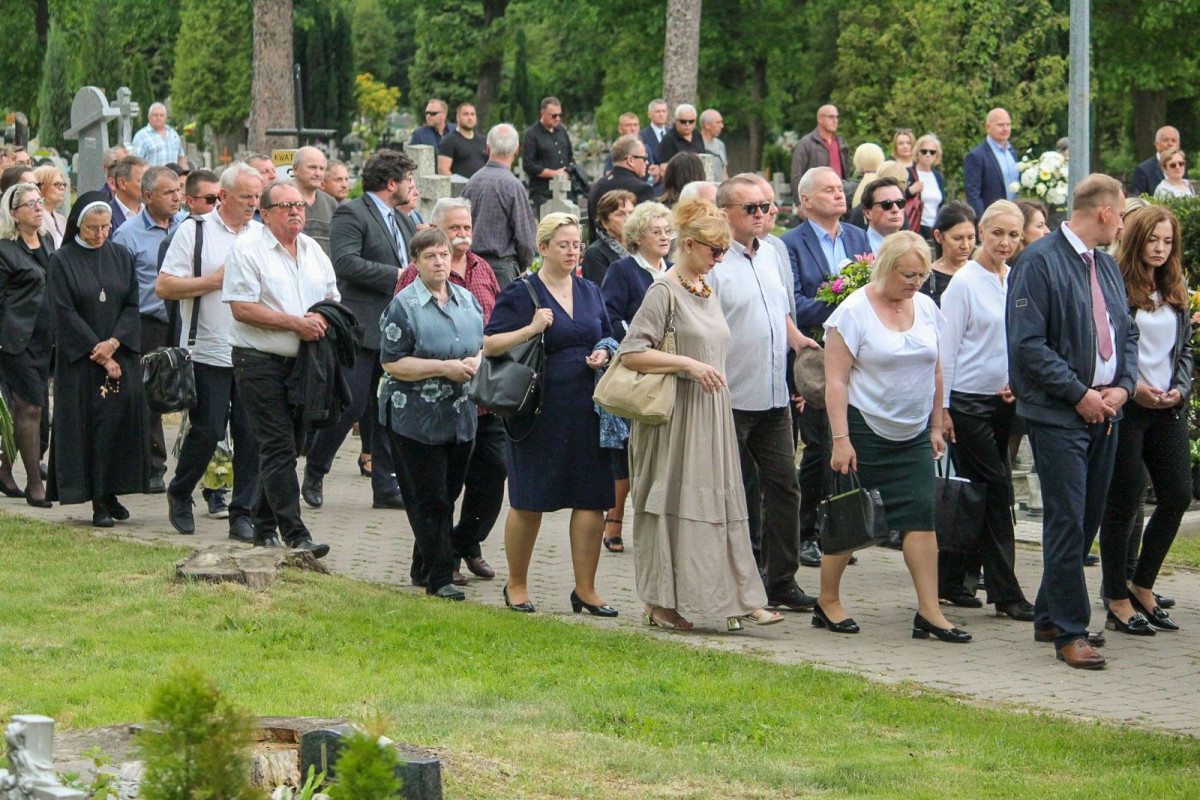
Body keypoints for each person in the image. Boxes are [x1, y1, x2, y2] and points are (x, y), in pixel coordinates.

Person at [618, 198, 783, 631]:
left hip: (711, 415)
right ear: (688, 245)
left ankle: (739, 597)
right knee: (671, 507)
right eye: (715, 250)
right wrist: (687, 365)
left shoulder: (706, 288)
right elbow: (631, 353)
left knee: (721, 505)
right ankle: (659, 603)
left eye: (725, 251)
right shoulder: (663, 291)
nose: (720, 259)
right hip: (674, 419)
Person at [1007, 174, 1136, 669]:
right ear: (1104, 212)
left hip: (1106, 412)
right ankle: (1069, 630)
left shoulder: (1105, 265)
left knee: (1086, 519)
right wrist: (1078, 393)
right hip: (1059, 413)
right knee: (1066, 519)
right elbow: (1028, 344)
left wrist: (1123, 386)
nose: (1122, 224)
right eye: (1121, 214)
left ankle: (1049, 614)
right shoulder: (1039, 262)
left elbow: (1125, 334)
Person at [823, 231, 968, 642]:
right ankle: (828, 600)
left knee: (922, 516)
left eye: (922, 276)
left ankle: (930, 611)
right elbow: (835, 381)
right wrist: (840, 439)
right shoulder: (853, 312)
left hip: (914, 430)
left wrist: (936, 424)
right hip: (865, 427)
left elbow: (936, 369)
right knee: (851, 519)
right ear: (885, 268)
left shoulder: (926, 307)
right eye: (907, 275)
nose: (915, 283)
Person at [483, 213, 617, 616]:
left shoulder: (590, 290)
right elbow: (490, 344)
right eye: (564, 245)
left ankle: (586, 590)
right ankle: (517, 584)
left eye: (577, 244)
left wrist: (604, 351)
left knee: (591, 499)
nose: (573, 251)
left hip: (587, 409)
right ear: (543, 248)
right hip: (537, 410)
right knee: (530, 499)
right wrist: (531, 328)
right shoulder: (522, 292)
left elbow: (608, 334)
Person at [711, 175, 819, 611]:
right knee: (735, 494)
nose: (762, 214)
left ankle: (782, 581)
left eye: (766, 206)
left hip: (774, 394)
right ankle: (738, 580)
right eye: (751, 208)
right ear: (725, 214)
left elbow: (778, 309)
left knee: (785, 488)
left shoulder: (773, 252)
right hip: (730, 397)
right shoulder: (714, 262)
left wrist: (797, 339)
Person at [223, 180, 339, 557]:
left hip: (304, 363)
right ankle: (296, 534)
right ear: (265, 213)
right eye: (285, 206)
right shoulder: (247, 248)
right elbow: (242, 308)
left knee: (292, 445)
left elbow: (332, 298)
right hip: (258, 360)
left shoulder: (312, 250)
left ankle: (263, 525)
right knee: (279, 445)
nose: (295, 212)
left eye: (299, 205)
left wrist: (321, 319)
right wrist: (295, 324)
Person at [396, 197, 504, 584]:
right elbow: (402, 338)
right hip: (433, 404)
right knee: (438, 490)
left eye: (466, 227)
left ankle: (464, 542)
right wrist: (445, 366)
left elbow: (493, 325)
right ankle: (436, 564)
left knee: (494, 474)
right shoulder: (417, 275)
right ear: (435, 231)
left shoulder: (482, 268)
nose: (462, 235)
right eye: (453, 228)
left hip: (481, 398)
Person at [156, 162, 264, 541]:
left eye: (257, 197)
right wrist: (214, 281)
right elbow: (165, 286)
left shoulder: (260, 234)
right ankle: (180, 490)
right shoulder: (195, 230)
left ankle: (242, 514)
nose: (253, 203)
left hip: (253, 349)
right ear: (224, 196)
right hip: (207, 350)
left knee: (251, 434)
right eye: (246, 196)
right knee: (208, 430)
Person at [303, 149, 415, 512]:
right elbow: (345, 262)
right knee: (351, 404)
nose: (412, 186)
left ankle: (385, 486)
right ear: (391, 183)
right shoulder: (351, 212)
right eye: (407, 180)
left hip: (397, 330)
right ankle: (315, 470)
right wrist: (397, 276)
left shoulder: (403, 220)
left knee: (387, 410)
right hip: (362, 327)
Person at [938, 200, 1035, 620]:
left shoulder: (1014, 279)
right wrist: (942, 410)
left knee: (977, 493)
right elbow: (946, 349)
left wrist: (1017, 381)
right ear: (981, 231)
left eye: (1014, 235)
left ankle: (952, 580)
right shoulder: (964, 282)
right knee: (996, 490)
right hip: (966, 402)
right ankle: (1006, 593)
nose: (1005, 242)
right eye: (997, 233)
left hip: (1004, 402)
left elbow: (1017, 340)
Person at [1099, 205, 1192, 635]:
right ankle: (1116, 597)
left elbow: (1185, 349)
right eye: (1152, 240)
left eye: (1167, 241)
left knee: (1177, 495)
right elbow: (1107, 345)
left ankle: (1143, 585)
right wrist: (1132, 386)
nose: (1160, 249)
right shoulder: (1115, 282)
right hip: (1128, 406)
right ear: (1136, 239)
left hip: (1168, 406)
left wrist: (1181, 389)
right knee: (1125, 498)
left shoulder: (1174, 283)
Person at [380, 227, 484, 600]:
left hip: (460, 416)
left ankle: (421, 566)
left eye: (443, 254)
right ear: (416, 263)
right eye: (430, 257)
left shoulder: (467, 300)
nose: (439, 262)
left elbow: (481, 345)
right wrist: (443, 368)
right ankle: (440, 578)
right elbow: (391, 363)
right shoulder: (404, 306)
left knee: (448, 493)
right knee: (430, 498)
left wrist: (476, 361)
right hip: (414, 418)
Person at [780, 166, 870, 567]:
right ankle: (805, 532)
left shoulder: (857, 237)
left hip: (856, 354)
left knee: (846, 442)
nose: (839, 194)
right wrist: (843, 302)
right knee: (818, 446)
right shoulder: (790, 244)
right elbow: (794, 304)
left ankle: (838, 531)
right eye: (829, 189)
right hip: (814, 356)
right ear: (806, 200)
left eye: (840, 188)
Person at [46, 193, 150, 526]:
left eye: (105, 227)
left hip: (120, 354)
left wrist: (115, 343)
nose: (100, 234)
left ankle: (113, 491)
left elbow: (132, 305)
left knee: (119, 426)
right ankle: (97, 501)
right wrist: (101, 353)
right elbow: (64, 312)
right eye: (93, 228)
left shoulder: (121, 255)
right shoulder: (62, 260)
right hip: (82, 362)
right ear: (79, 225)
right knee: (90, 429)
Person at [599, 201, 673, 554]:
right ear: (638, 236)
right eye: (656, 231)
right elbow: (609, 315)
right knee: (626, 449)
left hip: (669, 368)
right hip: (635, 368)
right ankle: (614, 520)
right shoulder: (623, 270)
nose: (664, 237)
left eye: (668, 231)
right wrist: (636, 341)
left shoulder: (674, 270)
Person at [111, 165, 182, 493]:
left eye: (179, 191)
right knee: (148, 396)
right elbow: (119, 287)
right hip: (147, 324)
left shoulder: (186, 227)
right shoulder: (128, 234)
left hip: (182, 320)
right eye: (169, 192)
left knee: (188, 391)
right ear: (148, 196)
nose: (177, 197)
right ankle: (152, 467)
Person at [0, 183, 56, 506]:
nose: (38, 208)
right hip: (15, 342)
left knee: (23, 408)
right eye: (30, 204)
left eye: (39, 201)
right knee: (31, 407)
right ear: (14, 214)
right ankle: (35, 484)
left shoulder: (47, 241)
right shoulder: (5, 250)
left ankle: (3, 470)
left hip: (45, 340)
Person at [463, 123, 538, 288]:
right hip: (502, 270)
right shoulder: (513, 186)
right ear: (517, 150)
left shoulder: (472, 182)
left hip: (470, 266)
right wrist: (524, 265)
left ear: (488, 148)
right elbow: (526, 239)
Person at [587, 134, 654, 239]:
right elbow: (649, 231)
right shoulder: (642, 189)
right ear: (630, 160)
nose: (647, 162)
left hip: (598, 247)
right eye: (644, 158)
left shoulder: (596, 186)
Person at [963, 108, 1019, 217]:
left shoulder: (1012, 152)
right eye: (1000, 125)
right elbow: (973, 194)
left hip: (1014, 216)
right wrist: (983, 220)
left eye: (1008, 124)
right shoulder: (976, 156)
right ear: (988, 127)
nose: (1005, 129)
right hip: (992, 218)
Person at [522, 97, 574, 210]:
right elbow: (528, 164)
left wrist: (567, 172)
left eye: (559, 115)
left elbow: (570, 156)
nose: (557, 118)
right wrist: (554, 173)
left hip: (564, 188)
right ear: (543, 113)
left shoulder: (562, 131)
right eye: (554, 116)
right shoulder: (532, 134)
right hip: (542, 191)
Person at [790, 105, 849, 203]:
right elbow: (796, 174)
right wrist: (799, 202)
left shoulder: (841, 143)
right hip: (816, 200)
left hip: (839, 198)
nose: (835, 120)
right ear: (820, 119)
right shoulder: (806, 143)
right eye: (831, 117)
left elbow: (846, 174)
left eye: (836, 117)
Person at [921, 201, 976, 306]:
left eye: (970, 238)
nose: (965, 245)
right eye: (957, 238)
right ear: (938, 236)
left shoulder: (981, 273)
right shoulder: (926, 278)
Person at [292, 147, 338, 257]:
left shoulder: (331, 204)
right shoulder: (283, 201)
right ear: (295, 169)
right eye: (312, 167)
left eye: (321, 169)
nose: (318, 173)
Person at [581, 190, 634, 286]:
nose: (629, 219)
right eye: (620, 214)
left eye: (631, 213)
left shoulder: (641, 247)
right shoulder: (596, 253)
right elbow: (603, 292)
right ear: (605, 222)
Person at [436, 103, 489, 179]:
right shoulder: (448, 141)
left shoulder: (483, 140)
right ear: (458, 117)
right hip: (460, 186)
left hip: (482, 185)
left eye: (472, 114)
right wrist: (458, 185)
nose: (470, 118)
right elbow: (443, 170)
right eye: (466, 114)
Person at [131, 102, 188, 169]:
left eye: (161, 115)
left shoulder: (174, 134)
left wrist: (187, 174)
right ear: (149, 117)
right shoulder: (140, 137)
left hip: (173, 175)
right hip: (152, 175)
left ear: (166, 118)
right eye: (155, 115)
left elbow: (181, 159)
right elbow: (135, 164)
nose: (158, 117)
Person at [1132, 126, 1186, 196]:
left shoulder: (1181, 166)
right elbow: (1138, 197)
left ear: (1178, 145)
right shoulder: (1143, 170)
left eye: (1173, 140)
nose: (1170, 144)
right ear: (1156, 144)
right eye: (1165, 140)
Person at [911, 134, 945, 238]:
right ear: (917, 153)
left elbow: (942, 203)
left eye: (932, 152)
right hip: (916, 228)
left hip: (935, 227)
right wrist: (910, 190)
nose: (928, 155)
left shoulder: (937, 176)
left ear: (937, 156)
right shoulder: (910, 173)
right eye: (924, 151)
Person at [861, 177, 906, 255]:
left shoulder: (912, 247)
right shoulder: (856, 247)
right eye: (887, 204)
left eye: (900, 203)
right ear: (868, 213)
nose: (895, 209)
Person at [107, 155, 148, 231]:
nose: (149, 185)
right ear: (122, 183)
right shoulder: (106, 218)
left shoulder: (153, 214)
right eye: (142, 181)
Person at [33, 165, 68, 248]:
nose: (62, 187)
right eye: (57, 184)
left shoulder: (62, 219)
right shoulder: (36, 217)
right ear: (41, 187)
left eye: (63, 184)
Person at [640, 99, 670, 192]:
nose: (661, 114)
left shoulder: (672, 134)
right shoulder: (642, 135)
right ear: (649, 114)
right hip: (653, 185)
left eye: (663, 111)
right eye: (657, 111)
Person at [602, 112, 644, 177]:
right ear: (620, 129)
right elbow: (609, 176)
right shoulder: (615, 152)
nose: (633, 129)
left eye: (635, 125)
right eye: (628, 125)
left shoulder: (646, 149)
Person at [699, 109, 729, 181]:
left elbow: (724, 173)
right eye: (718, 122)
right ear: (707, 125)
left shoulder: (720, 144)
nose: (722, 126)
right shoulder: (695, 144)